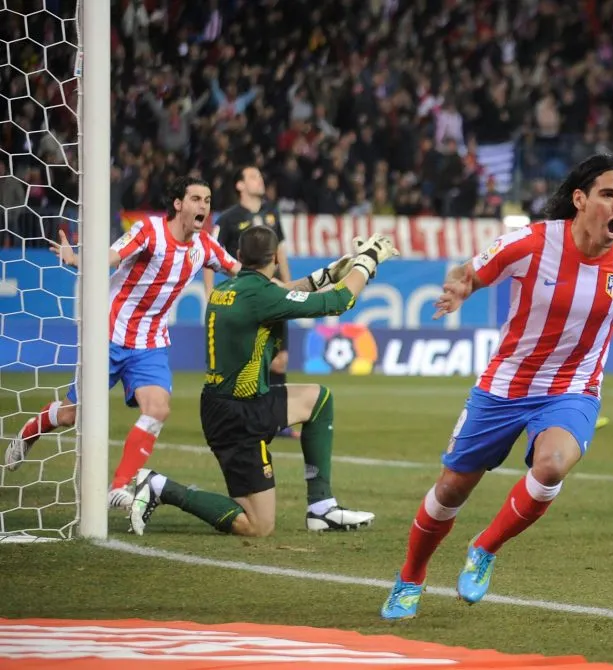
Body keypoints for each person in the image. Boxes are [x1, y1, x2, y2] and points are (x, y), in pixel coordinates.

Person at [379, 154, 613, 620]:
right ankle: (410, 577)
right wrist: (459, 289)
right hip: (505, 386)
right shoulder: (532, 243)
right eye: (609, 194)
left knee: (552, 466)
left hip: (573, 388)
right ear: (580, 199)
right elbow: (468, 271)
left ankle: (486, 547)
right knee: (452, 488)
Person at [128, 227, 399, 536]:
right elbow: (338, 303)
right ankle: (161, 487)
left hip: (239, 403)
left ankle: (321, 508)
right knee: (258, 526)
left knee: (318, 399)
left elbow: (282, 291)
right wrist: (368, 261)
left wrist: (326, 275)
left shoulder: (231, 288)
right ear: (274, 257)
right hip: (238, 417)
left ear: (240, 257)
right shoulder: (260, 296)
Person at [4, 177, 240, 509]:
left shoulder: (205, 247)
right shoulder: (149, 230)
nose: (203, 205)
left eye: (208, 199)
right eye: (196, 198)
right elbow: (113, 256)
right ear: (178, 204)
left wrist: (294, 291)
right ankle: (31, 430)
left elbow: (245, 273)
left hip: (151, 343)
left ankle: (119, 486)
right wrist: (77, 260)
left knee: (158, 408)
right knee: (73, 415)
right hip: (109, 335)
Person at [203, 165, 299, 438]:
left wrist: (289, 287)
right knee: (249, 357)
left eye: (260, 175)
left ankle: (279, 420)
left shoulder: (272, 213)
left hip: (274, 292)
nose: (260, 180)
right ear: (240, 185)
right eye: (253, 176)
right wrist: (210, 290)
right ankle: (243, 415)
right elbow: (212, 253)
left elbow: (281, 251)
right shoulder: (230, 218)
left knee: (280, 360)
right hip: (246, 296)